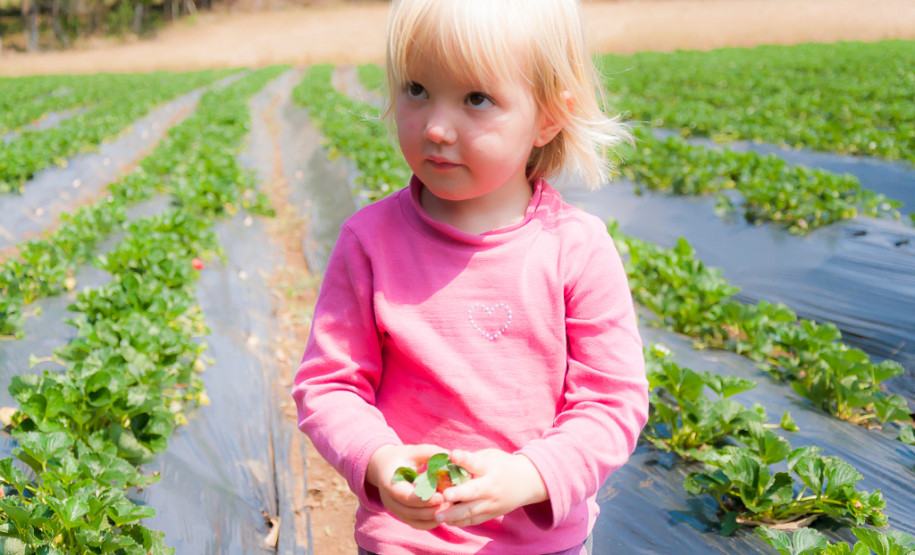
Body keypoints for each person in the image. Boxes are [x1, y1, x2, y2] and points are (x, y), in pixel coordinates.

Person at [291, 0, 648, 552]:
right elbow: (330, 384)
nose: (435, 127)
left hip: (542, 543)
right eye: (416, 89)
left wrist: (529, 476)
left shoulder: (575, 249)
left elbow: (611, 402)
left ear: (549, 115)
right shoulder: (370, 242)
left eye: (476, 99)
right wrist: (381, 461)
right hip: (407, 539)